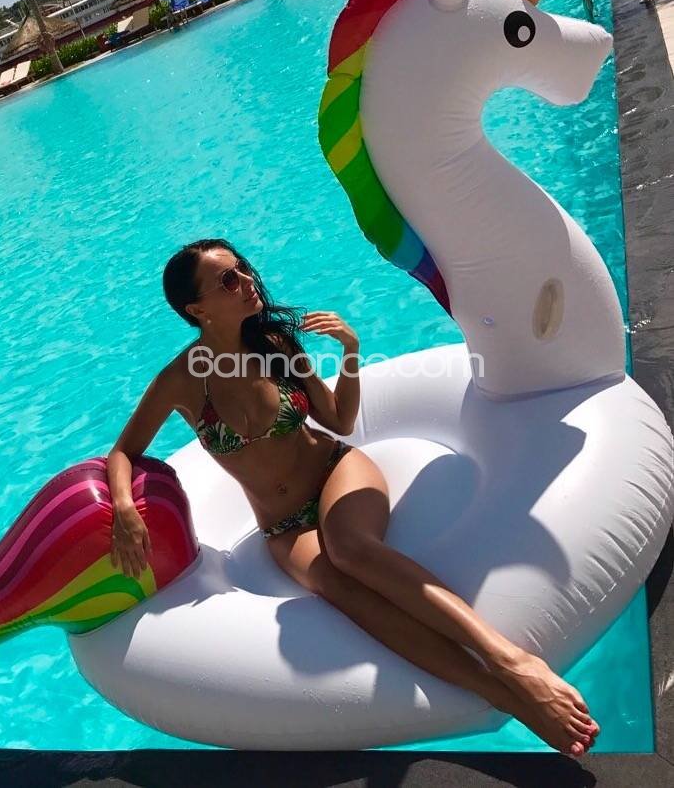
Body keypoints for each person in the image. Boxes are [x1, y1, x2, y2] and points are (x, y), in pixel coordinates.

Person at [107, 237, 600, 756]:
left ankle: (510, 661)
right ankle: (505, 696)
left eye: (243, 270)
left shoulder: (274, 345)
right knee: (338, 586)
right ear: (197, 309)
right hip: (285, 525)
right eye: (229, 280)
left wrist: (351, 352)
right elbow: (124, 452)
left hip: (336, 470)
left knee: (350, 549)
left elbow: (340, 421)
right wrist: (123, 507)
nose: (248, 281)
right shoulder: (181, 380)